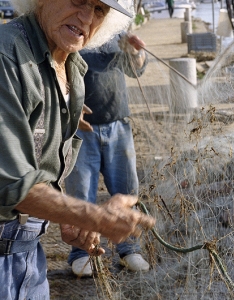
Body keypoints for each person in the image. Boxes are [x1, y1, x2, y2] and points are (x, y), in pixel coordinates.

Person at [0, 0, 155, 298]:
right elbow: (10, 182)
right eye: (78, 0)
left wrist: (62, 216)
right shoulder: (7, 58)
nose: (86, 16)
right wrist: (93, 217)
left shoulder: (69, 64)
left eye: (100, 9)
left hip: (27, 254)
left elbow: (37, 167)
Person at [64, 33, 149, 275]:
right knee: (81, 194)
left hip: (118, 124)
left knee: (126, 191)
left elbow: (135, 70)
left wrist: (136, 53)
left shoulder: (117, 33)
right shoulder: (71, 32)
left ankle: (130, 249)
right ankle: (81, 253)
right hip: (79, 128)